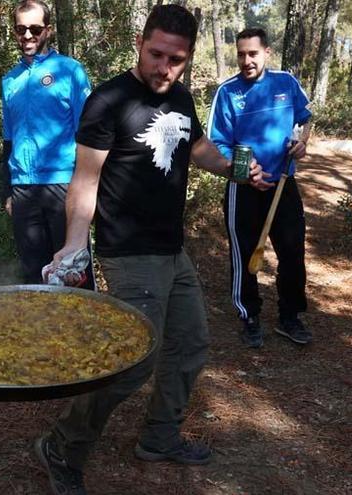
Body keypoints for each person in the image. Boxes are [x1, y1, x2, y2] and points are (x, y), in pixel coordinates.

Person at [33, 6, 270, 494]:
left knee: (190, 345)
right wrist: (75, 242)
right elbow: (85, 178)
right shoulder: (109, 100)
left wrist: (236, 171)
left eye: (176, 59)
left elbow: (197, 147)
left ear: (188, 57)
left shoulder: (180, 96)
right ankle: (62, 445)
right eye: (156, 54)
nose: (164, 68)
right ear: (140, 43)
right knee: (132, 362)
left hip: (172, 249)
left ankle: (160, 437)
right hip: (129, 252)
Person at [207, 27, 313, 348]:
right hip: (244, 189)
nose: (246, 60)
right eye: (241, 54)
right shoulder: (227, 92)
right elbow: (217, 143)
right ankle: (249, 315)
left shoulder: (286, 83)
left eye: (252, 54)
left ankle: (290, 316)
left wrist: (303, 141)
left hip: (284, 183)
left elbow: (306, 118)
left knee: (292, 250)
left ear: (267, 52)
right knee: (243, 255)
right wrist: (244, 172)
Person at [1, 0, 94, 288]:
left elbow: (90, 136)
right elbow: (9, 138)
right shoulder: (10, 80)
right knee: (33, 276)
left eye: (35, 28)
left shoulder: (70, 71)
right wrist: (8, 191)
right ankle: (44, 334)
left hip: (63, 185)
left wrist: (85, 189)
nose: (27, 35)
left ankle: (85, 332)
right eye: (20, 29)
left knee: (73, 273)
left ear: (48, 30)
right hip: (23, 189)